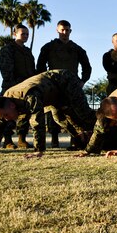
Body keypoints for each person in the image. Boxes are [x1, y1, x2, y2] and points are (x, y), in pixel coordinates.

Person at [0, 70, 96, 157]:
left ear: (12, 105)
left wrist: (38, 150)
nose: (6, 119)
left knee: (83, 113)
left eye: (6, 115)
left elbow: (37, 123)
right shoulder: (2, 104)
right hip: (51, 94)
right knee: (59, 119)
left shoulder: (29, 96)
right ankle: (85, 141)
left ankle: (106, 130)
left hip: (64, 81)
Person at [36, 20, 92, 148]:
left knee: (75, 113)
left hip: (72, 86)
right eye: (62, 30)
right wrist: (45, 81)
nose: (65, 33)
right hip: (53, 85)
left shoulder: (77, 49)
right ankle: (54, 139)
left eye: (67, 30)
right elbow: (40, 66)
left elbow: (87, 67)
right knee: (54, 113)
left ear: (70, 31)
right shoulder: (48, 47)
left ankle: (76, 140)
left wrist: (82, 81)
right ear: (57, 30)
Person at [0, 24, 36, 149]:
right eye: (22, 34)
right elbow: (6, 70)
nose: (25, 36)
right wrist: (14, 85)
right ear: (15, 34)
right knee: (9, 115)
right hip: (11, 87)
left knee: (25, 114)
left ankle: (21, 139)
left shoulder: (27, 51)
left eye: (27, 34)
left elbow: (32, 70)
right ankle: (7, 140)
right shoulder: (8, 49)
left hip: (26, 87)